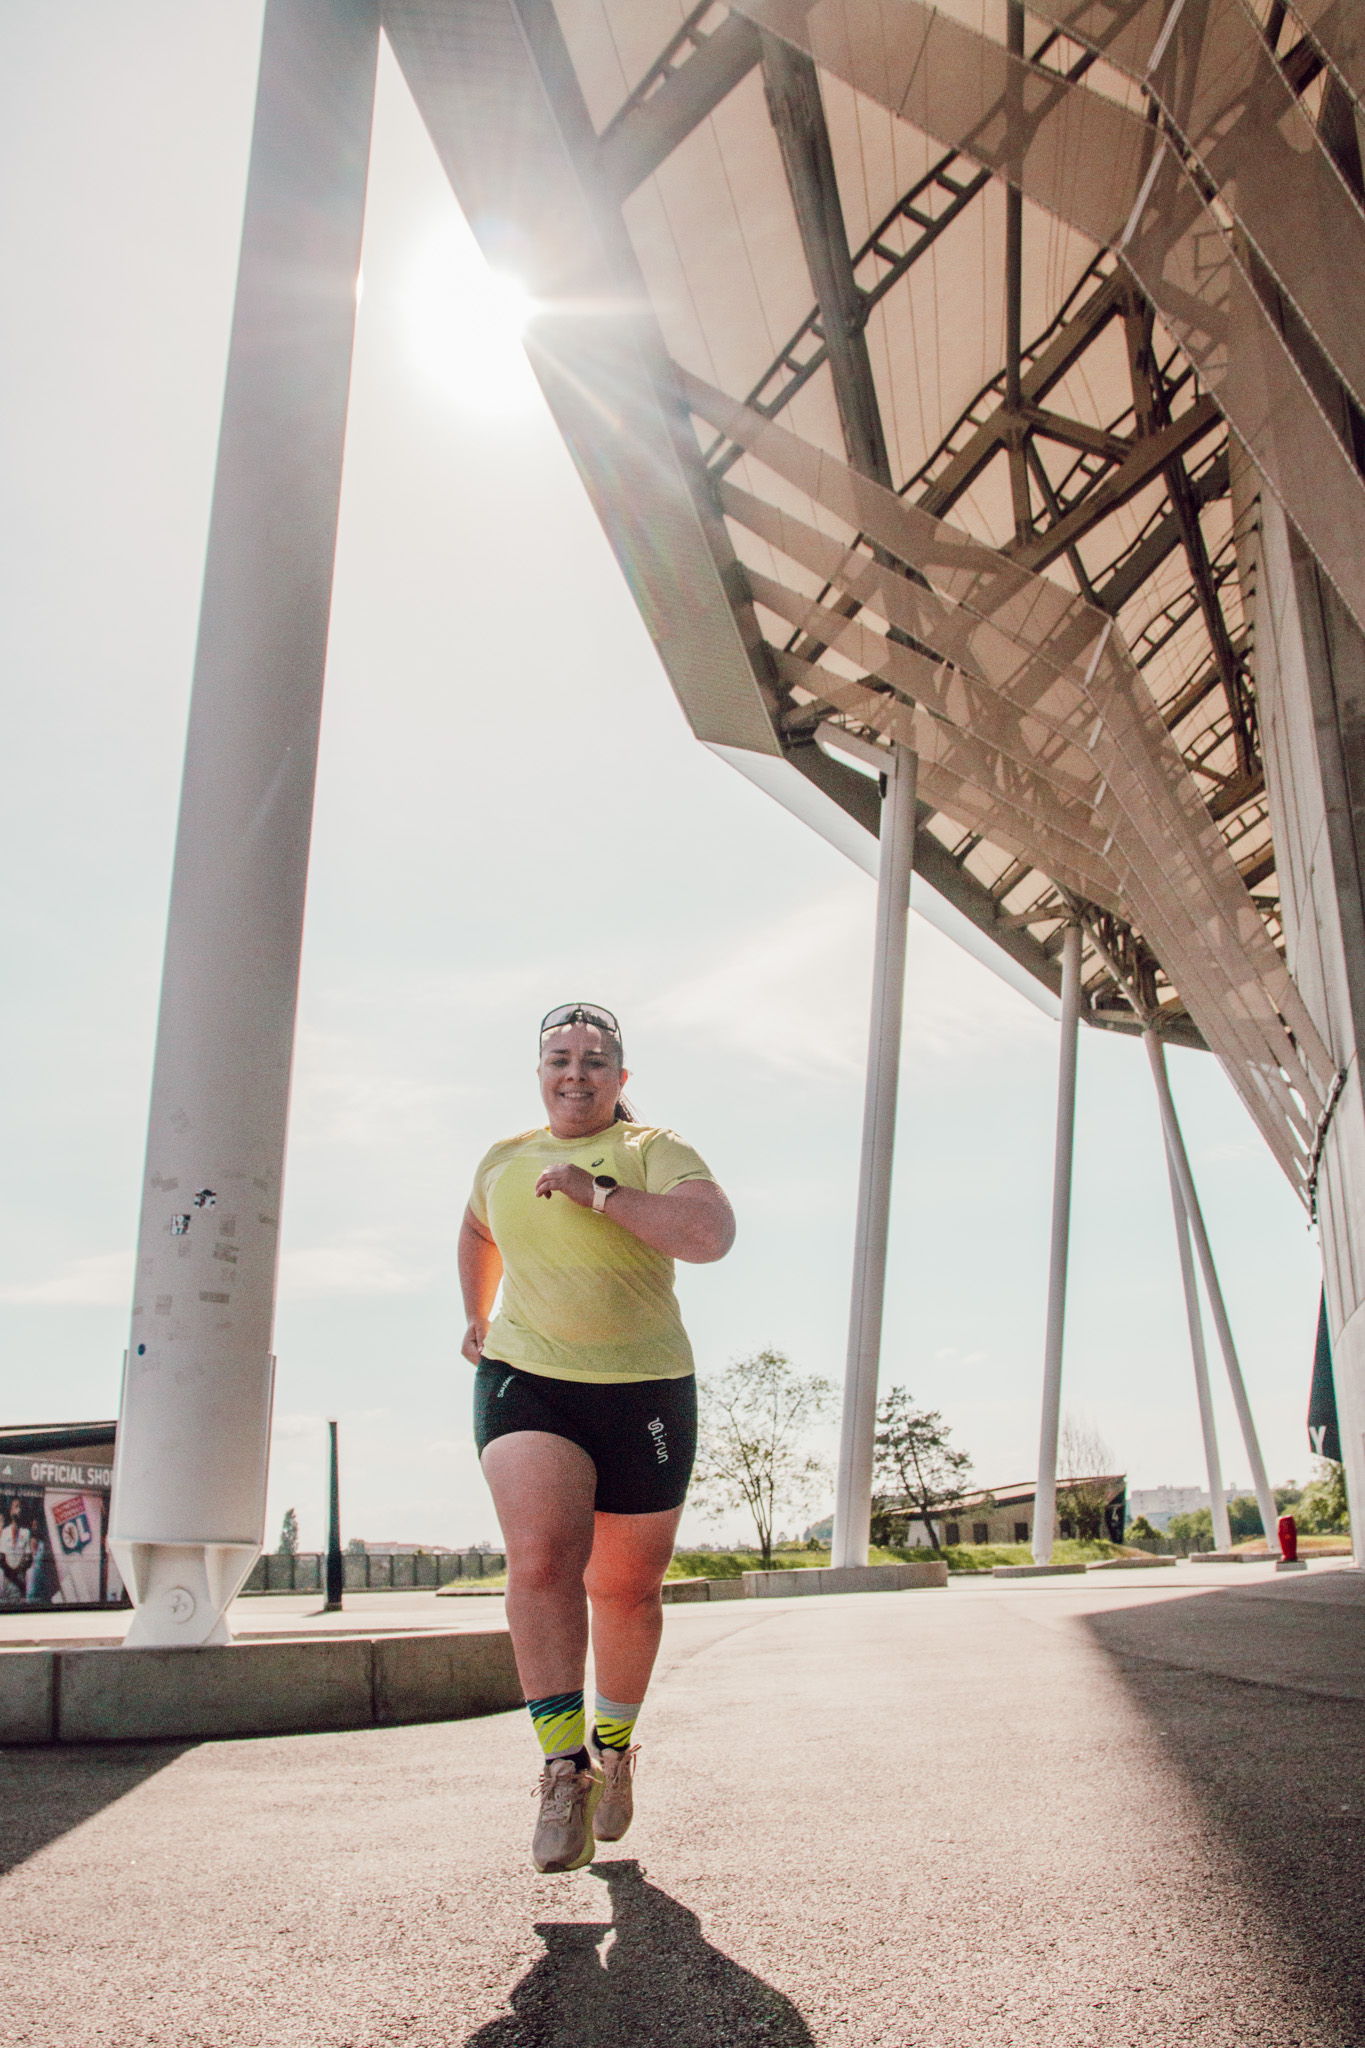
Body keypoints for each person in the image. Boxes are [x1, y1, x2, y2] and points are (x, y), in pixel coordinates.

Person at [460, 1002, 735, 1873]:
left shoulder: (653, 1147)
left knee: (626, 1590)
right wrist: (474, 1312)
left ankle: (615, 1749)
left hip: (642, 1389)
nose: (573, 1071)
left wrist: (601, 1193)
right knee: (541, 1559)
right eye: (558, 1057)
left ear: (620, 1078)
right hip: (526, 1377)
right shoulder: (503, 1158)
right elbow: (475, 1228)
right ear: (539, 1072)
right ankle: (562, 1769)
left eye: (593, 1059)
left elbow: (709, 1237)